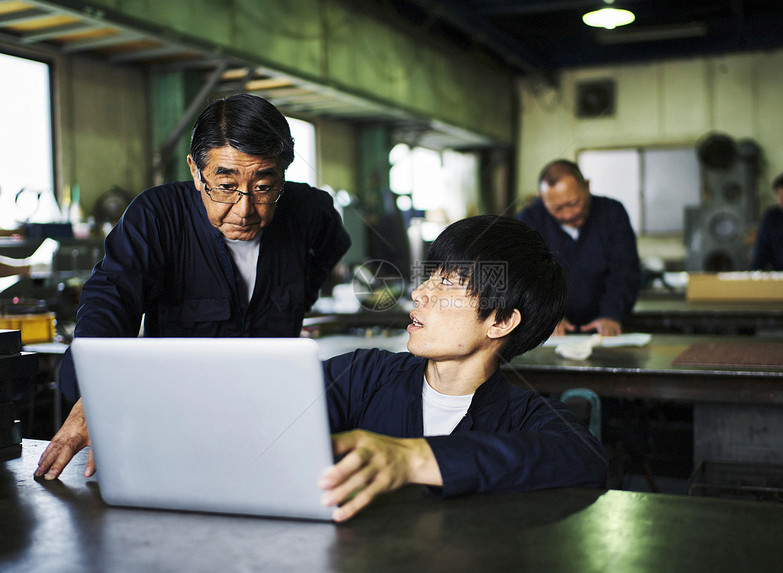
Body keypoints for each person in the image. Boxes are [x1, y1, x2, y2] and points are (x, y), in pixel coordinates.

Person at [34, 93, 351, 480]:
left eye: (265, 187)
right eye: (225, 185)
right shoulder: (157, 216)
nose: (245, 209)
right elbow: (111, 298)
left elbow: (332, 247)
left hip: (270, 417)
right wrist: (95, 396)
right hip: (175, 421)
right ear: (195, 171)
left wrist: (299, 293)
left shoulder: (309, 210)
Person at [318, 215, 607, 522]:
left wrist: (413, 459)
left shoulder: (523, 417)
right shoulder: (365, 374)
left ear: (501, 321)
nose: (418, 293)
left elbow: (586, 461)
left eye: (445, 283)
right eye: (430, 277)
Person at [516, 159, 640, 337]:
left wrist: (611, 314)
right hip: (550, 332)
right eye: (557, 209)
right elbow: (524, 279)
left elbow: (624, 271)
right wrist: (545, 316)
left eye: (573, 203)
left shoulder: (612, 213)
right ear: (542, 199)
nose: (568, 214)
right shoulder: (529, 220)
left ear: (587, 186)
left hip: (607, 329)